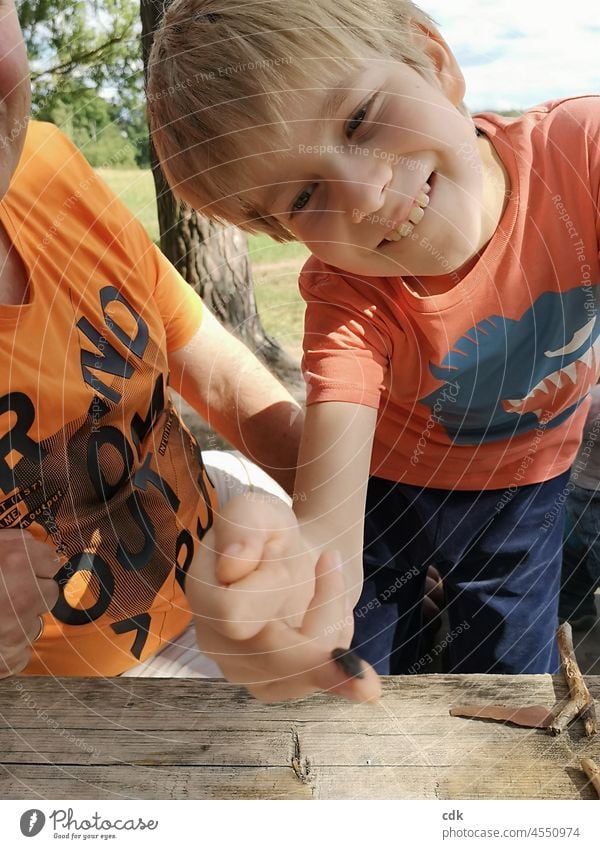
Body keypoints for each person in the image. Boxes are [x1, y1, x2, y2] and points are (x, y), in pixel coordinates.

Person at [147, 0, 600, 695]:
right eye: (304, 194)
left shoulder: (581, 153)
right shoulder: (347, 297)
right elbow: (329, 531)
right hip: (387, 492)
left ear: (436, 61)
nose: (361, 194)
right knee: (364, 673)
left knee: (509, 686)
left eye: (358, 117)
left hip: (528, 486)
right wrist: (301, 599)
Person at [0, 0, 380, 702]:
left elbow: (212, 365)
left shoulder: (46, 159)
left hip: (223, 545)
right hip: (81, 705)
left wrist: (347, 502)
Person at [559, 387, 600, 630]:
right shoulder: (593, 401)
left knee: (577, 553)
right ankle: (571, 608)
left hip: (579, 488)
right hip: (591, 496)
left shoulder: (588, 396)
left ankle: (572, 609)